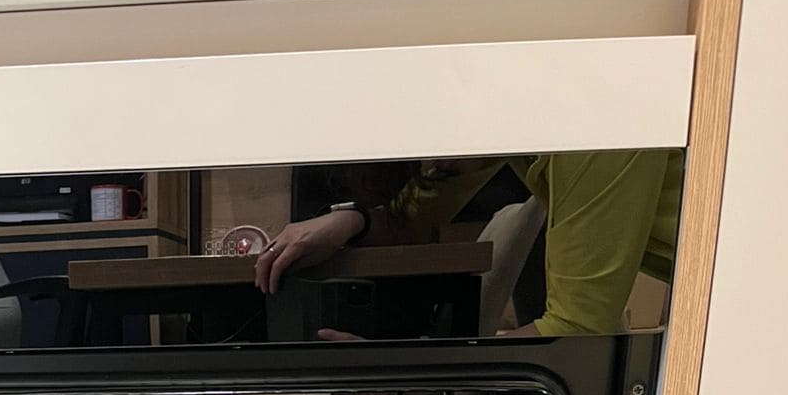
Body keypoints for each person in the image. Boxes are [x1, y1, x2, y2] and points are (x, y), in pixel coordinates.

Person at [254, 151, 682, 337]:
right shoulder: (504, 127)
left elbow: (576, 330)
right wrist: (349, 219)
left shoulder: (592, 131)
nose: (434, 166)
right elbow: (415, 214)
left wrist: (406, 380)